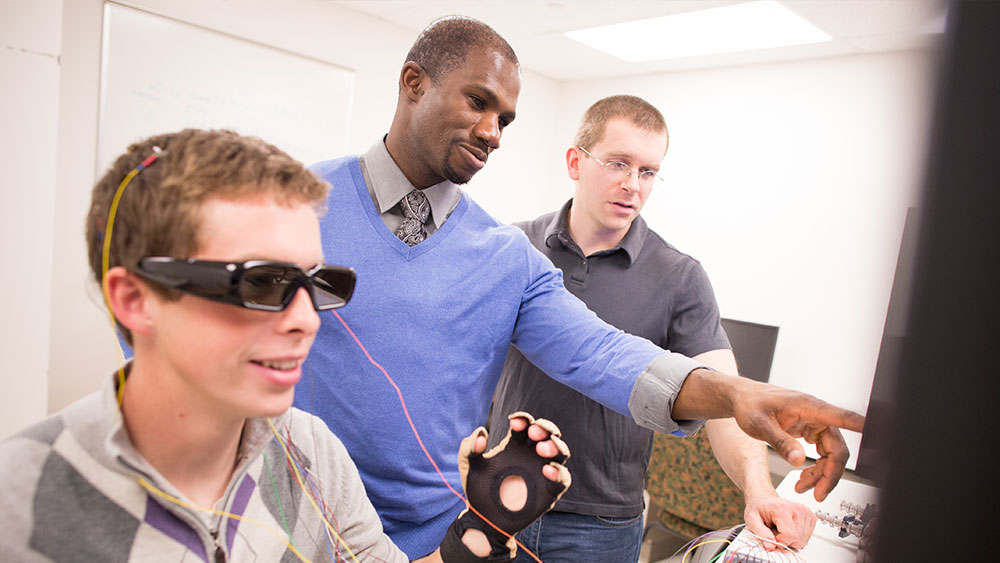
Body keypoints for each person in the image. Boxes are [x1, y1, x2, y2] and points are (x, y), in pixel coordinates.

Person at [297, 15, 864, 560]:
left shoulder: (506, 257)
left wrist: (737, 395)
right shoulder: (295, 205)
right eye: (477, 101)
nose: (492, 133)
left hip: (441, 543)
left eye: (506, 119)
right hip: (294, 518)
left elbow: (602, 352)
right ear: (413, 83)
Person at [0, 128, 572, 563]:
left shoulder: (310, 451)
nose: (307, 321)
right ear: (134, 300)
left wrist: (482, 528)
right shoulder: (23, 494)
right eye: (263, 283)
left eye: (318, 285)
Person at [488, 95, 818, 562]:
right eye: (618, 163)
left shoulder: (679, 277)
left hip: (600, 528)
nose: (632, 185)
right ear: (575, 162)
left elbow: (726, 396)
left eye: (647, 172)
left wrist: (759, 490)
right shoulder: (514, 247)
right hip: (498, 502)